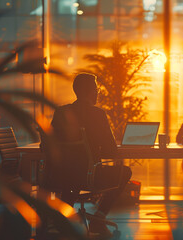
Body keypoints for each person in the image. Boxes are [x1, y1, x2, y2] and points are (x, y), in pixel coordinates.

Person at [50, 73, 132, 238]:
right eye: (96, 89)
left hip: (61, 175)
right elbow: (111, 151)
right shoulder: (97, 114)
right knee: (125, 172)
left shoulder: (61, 112)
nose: (98, 93)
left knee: (72, 175)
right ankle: (99, 218)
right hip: (90, 176)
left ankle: (60, 217)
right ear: (90, 92)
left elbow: (46, 144)